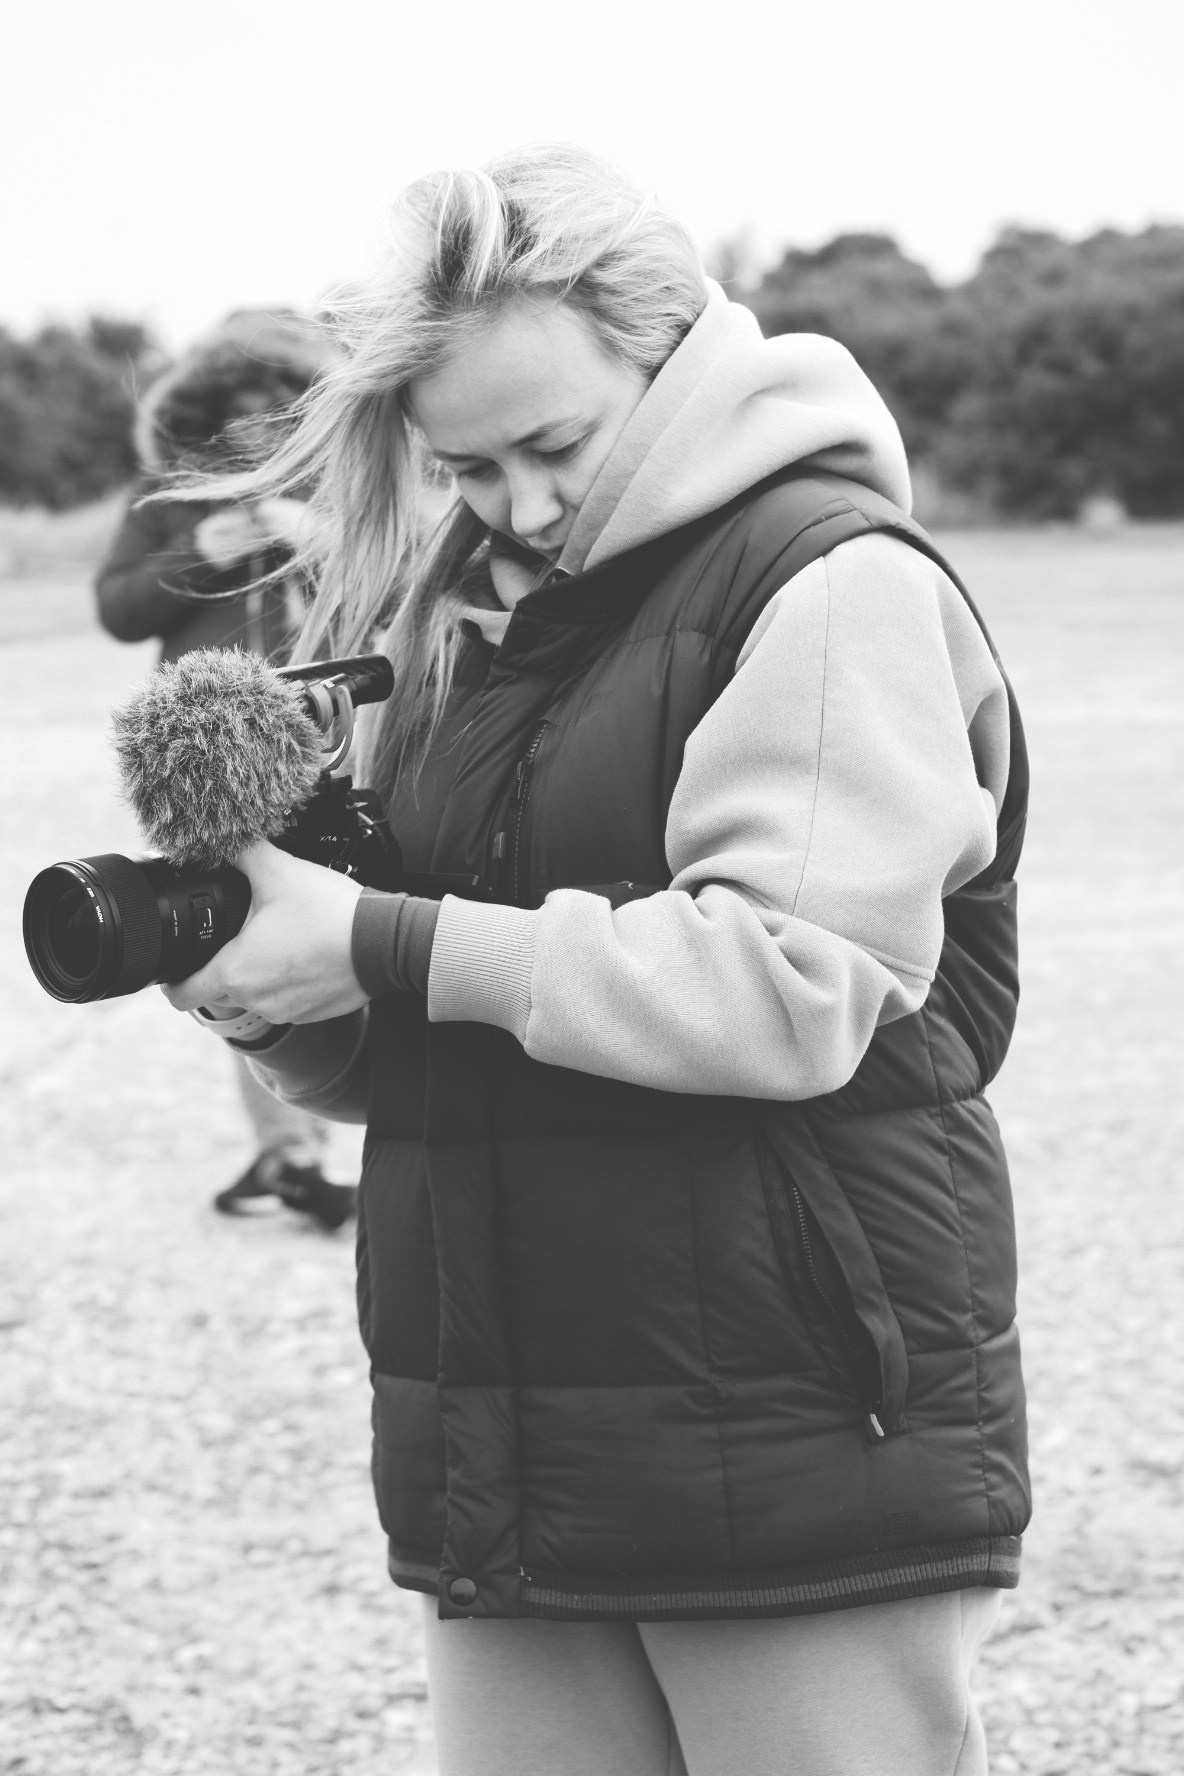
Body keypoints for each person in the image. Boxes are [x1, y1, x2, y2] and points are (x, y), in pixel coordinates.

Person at [160, 147, 1030, 1774]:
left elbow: (786, 987)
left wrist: (382, 940)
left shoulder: (826, 579)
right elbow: (434, 1011)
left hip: (790, 1428)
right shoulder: (464, 607)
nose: (523, 506)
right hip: (509, 1425)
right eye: (467, 470)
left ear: (673, 349)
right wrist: (279, 995)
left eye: (554, 444)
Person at [95, 310, 357, 1230]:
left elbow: (398, 582)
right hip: (202, 756)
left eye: (272, 415)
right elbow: (116, 608)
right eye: (232, 417)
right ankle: (289, 1152)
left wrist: (316, 534)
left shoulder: (337, 482)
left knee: (349, 918)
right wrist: (192, 557)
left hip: (326, 738)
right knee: (225, 938)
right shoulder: (166, 496)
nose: (250, 432)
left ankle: (346, 1129)